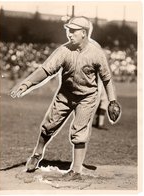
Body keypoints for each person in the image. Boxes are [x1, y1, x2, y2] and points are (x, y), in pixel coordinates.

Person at [11, 16, 119, 181]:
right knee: (48, 126)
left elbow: (106, 78)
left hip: (87, 97)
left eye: (73, 31)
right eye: (69, 30)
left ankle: (76, 170)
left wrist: (112, 100)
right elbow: (46, 70)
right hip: (65, 94)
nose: (69, 34)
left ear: (84, 33)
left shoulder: (96, 53)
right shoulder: (63, 50)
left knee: (79, 132)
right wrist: (27, 83)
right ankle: (37, 154)